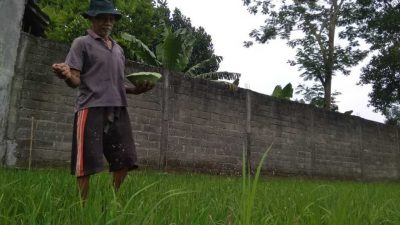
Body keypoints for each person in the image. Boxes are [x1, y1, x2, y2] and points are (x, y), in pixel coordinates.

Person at [52, 0, 153, 201]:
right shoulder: (81, 43)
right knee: (85, 165)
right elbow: (75, 80)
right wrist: (65, 74)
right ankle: (82, 207)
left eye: (111, 18)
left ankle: (111, 200)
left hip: (118, 108)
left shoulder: (118, 49)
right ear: (91, 19)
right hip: (90, 108)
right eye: (102, 18)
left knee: (126, 159)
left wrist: (134, 91)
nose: (107, 22)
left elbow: (115, 83)